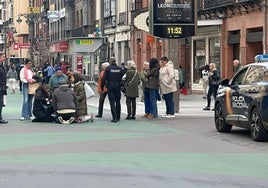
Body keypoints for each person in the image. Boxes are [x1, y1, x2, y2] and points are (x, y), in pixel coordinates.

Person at [102, 57, 124, 123]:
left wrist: (102, 86)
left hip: (110, 86)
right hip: (118, 87)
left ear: (110, 61)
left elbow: (104, 78)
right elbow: (122, 77)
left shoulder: (108, 69)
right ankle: (118, 116)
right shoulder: (120, 68)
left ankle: (114, 118)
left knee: (112, 102)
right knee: (118, 102)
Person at [0, 53, 8, 124]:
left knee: (1, 102)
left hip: (2, 87)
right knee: (0, 102)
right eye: (3, 57)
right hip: (0, 87)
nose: (4, 58)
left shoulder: (2, 66)